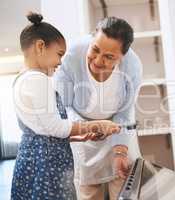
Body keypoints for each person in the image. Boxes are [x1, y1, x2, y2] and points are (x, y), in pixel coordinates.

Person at [11, 12, 121, 200]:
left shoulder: (22, 78)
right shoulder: (39, 80)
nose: (60, 62)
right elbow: (55, 127)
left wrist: (77, 136)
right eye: (59, 54)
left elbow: (42, 130)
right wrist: (98, 124)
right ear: (40, 46)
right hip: (46, 166)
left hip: (34, 159)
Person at [54, 16, 142, 200]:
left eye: (109, 57)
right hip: (84, 134)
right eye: (95, 49)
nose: (98, 60)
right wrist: (87, 128)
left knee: (125, 187)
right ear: (92, 39)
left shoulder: (133, 65)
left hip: (119, 129)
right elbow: (65, 105)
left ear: (122, 56)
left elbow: (125, 111)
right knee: (89, 192)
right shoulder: (71, 57)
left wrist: (120, 150)